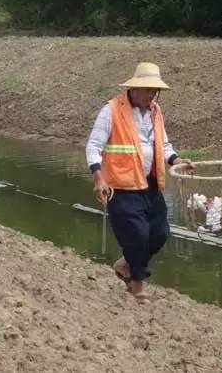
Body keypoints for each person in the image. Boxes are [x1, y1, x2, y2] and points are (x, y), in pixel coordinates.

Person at [86, 62, 192, 304]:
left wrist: (175, 160)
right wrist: (98, 177)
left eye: (155, 91)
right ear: (133, 88)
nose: (151, 94)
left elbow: (163, 145)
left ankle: (125, 265)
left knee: (159, 233)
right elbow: (93, 146)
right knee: (137, 235)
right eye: (147, 89)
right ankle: (137, 283)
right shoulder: (111, 110)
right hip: (121, 187)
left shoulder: (155, 111)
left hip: (149, 185)